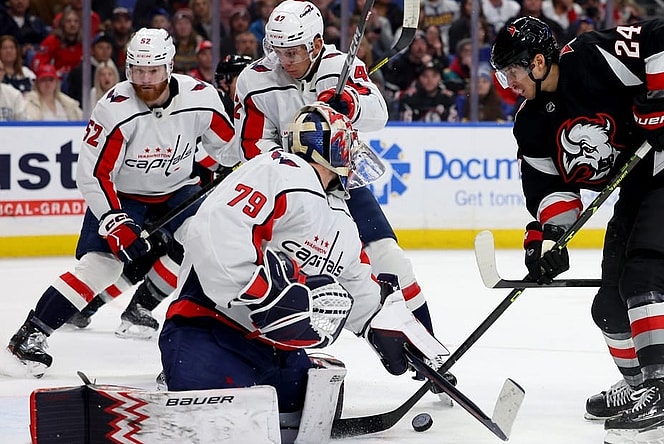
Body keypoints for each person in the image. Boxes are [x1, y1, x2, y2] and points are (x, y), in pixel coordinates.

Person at [489, 16, 664, 444]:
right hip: (640, 184)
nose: (508, 84)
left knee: (644, 277)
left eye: (513, 72)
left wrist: (661, 100)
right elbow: (552, 191)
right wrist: (549, 240)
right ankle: (640, 388)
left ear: (538, 62)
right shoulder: (530, 125)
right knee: (610, 308)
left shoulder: (591, 55)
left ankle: (663, 391)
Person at [158, 102, 449, 442]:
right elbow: (218, 229)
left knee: (302, 416)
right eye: (345, 146)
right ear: (326, 145)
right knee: (225, 424)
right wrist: (260, 290)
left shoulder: (340, 216)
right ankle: (178, 376)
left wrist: (384, 330)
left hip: (279, 347)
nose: (351, 156)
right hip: (211, 329)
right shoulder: (279, 169)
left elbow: (357, 283)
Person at [234, 0, 454, 398]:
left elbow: (379, 112)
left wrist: (348, 104)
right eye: (279, 50)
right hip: (287, 192)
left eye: (295, 51)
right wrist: (293, 163)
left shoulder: (339, 66)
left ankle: (430, 353)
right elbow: (251, 144)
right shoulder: (254, 80)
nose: (285, 60)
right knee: (278, 276)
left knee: (391, 260)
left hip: (343, 181)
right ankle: (245, 354)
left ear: (316, 43)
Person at [6, 27, 240, 378]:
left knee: (206, 249)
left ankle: (192, 347)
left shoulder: (200, 97)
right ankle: (30, 335)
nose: (144, 80)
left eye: (154, 71)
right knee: (101, 267)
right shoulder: (114, 108)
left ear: (170, 66)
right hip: (125, 196)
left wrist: (249, 152)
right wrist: (114, 220)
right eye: (137, 71)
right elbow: (93, 174)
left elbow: (229, 148)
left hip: (178, 190)